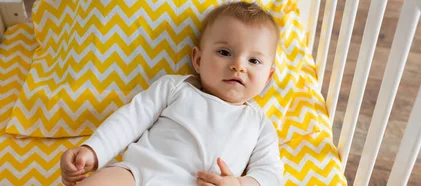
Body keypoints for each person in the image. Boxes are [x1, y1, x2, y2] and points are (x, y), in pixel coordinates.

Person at [59, 2, 283, 186]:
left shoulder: (259, 124)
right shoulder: (175, 88)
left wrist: (240, 184)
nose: (238, 66)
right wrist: (92, 150)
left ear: (268, 77)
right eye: (224, 52)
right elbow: (129, 120)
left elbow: (270, 174)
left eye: (254, 60)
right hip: (139, 174)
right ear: (198, 59)